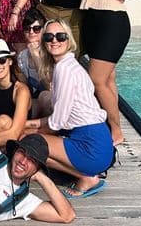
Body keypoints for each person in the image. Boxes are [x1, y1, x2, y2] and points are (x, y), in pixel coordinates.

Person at [24, 18, 115, 198]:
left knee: (29, 143)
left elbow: (57, 123)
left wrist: (25, 125)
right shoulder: (71, 65)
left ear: (69, 39)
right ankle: (87, 175)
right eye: (49, 37)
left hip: (89, 144)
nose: (54, 40)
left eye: (60, 36)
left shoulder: (63, 69)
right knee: (34, 144)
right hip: (101, 143)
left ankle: (86, 177)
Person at [80, 0, 138, 145]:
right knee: (109, 79)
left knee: (96, 78)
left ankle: (116, 130)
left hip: (113, 21)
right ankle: (113, 124)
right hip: (91, 19)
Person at [17, 8, 51, 117]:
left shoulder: (51, 52)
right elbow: (25, 88)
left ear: (43, 30)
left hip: (53, 100)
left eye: (36, 29)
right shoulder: (22, 56)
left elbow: (49, 87)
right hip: (35, 100)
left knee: (45, 96)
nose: (31, 32)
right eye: (27, 29)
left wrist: (36, 56)